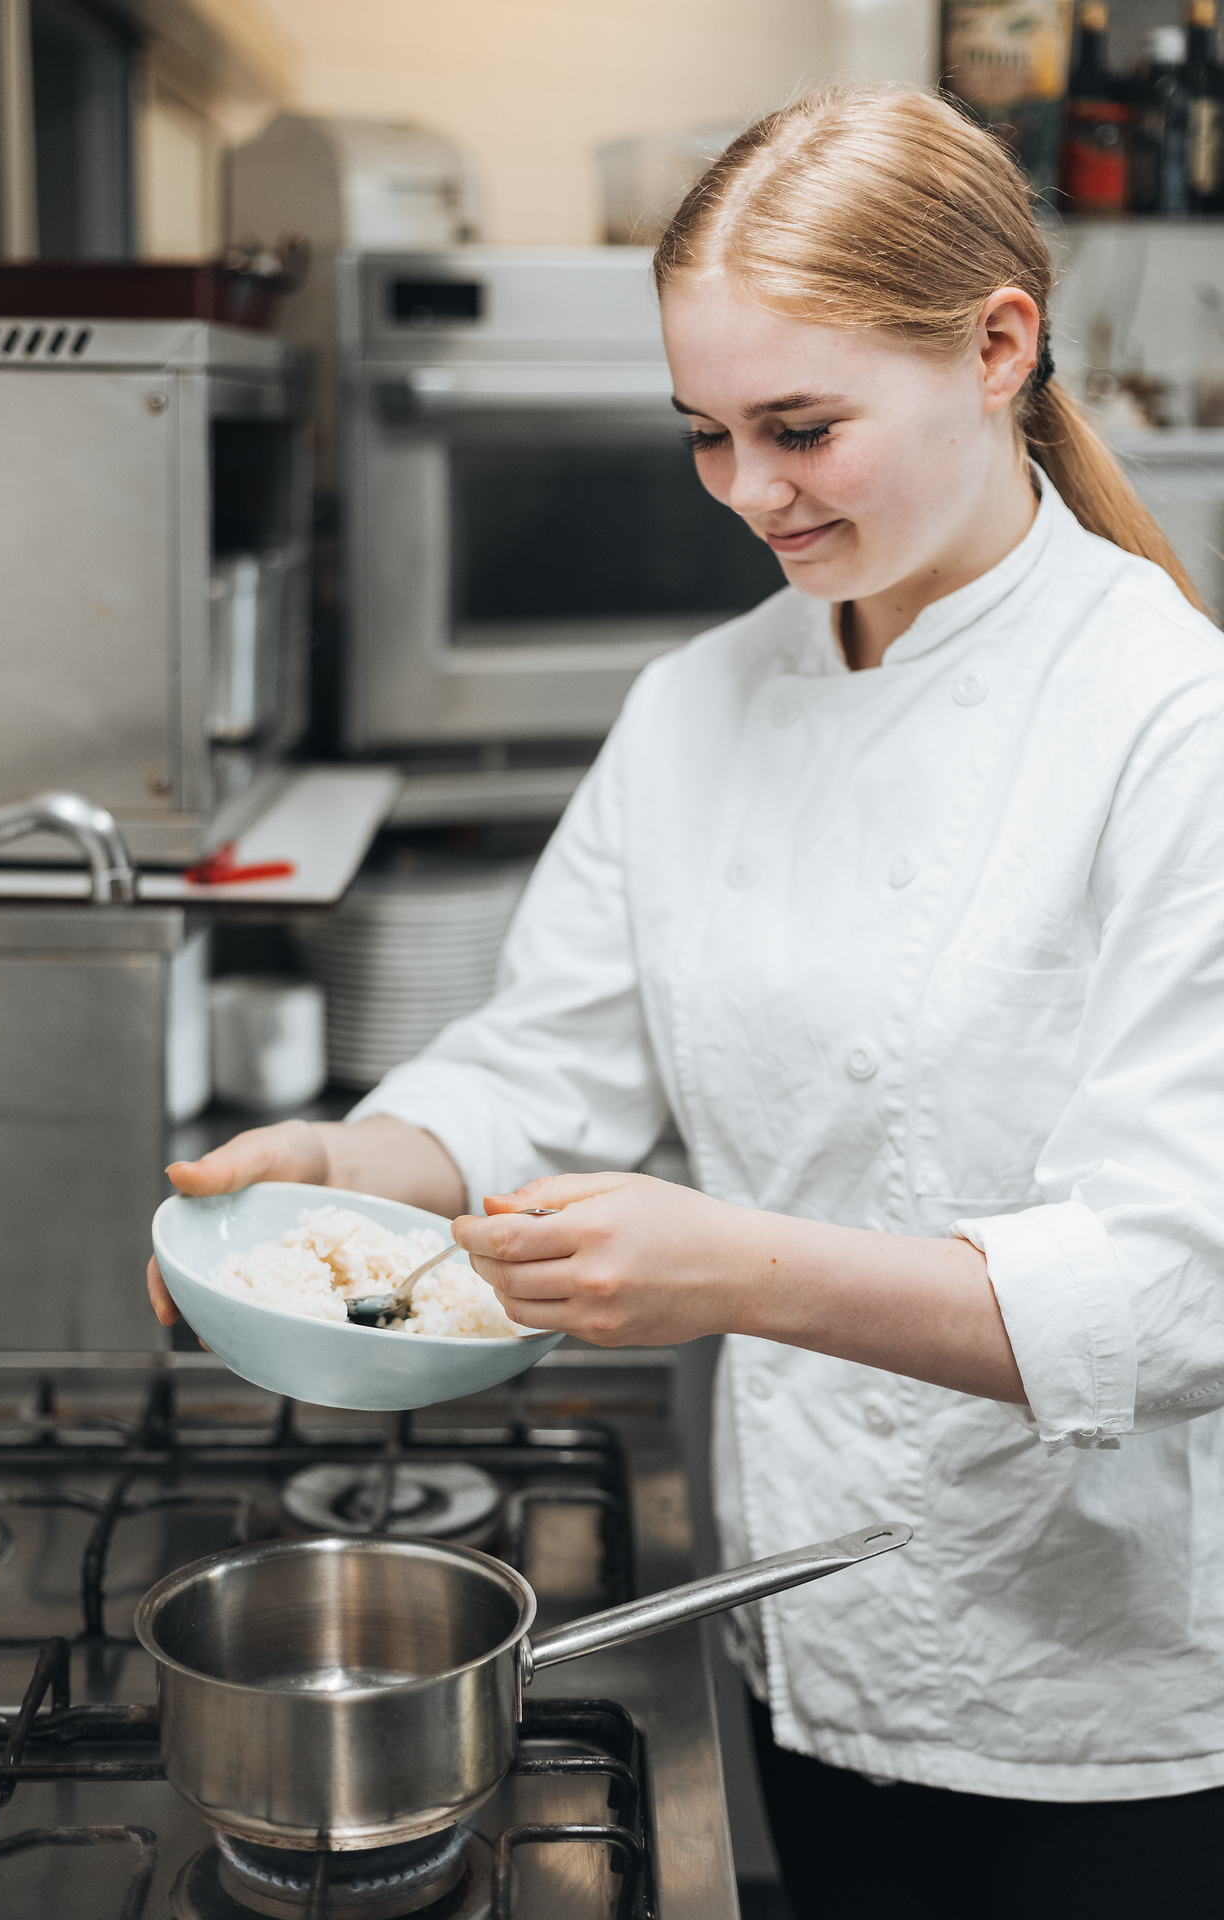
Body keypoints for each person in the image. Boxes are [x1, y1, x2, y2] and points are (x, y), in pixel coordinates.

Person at [149, 87, 1224, 1917]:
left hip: (1098, 1682)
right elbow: (544, 1068)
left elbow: (1181, 1284)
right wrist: (345, 1171)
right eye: (707, 434)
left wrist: (734, 1272)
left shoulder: (1166, 720)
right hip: (797, 1611)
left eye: (800, 429)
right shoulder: (697, 706)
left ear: (997, 347)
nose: (747, 491)